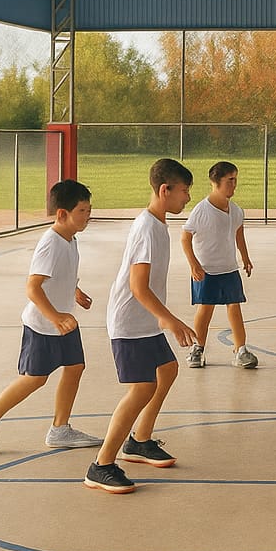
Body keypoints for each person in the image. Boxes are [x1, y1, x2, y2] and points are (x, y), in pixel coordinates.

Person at [84, 158, 199, 494]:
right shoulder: (148, 228)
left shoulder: (157, 225)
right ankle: (101, 464)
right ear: (165, 190)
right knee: (142, 388)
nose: (187, 198)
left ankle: (140, 440)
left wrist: (161, 318)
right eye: (184, 192)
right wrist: (170, 319)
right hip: (129, 321)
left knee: (168, 369)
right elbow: (138, 286)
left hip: (143, 319)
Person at [0, 179, 103, 454]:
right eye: (82, 211)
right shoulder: (51, 243)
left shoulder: (70, 238)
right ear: (62, 214)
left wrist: (74, 291)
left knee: (75, 367)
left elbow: (58, 276)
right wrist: (54, 316)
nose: (88, 216)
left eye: (89, 210)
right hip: (44, 324)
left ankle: (60, 429)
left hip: (63, 320)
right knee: (34, 378)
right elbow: (32, 286)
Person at [181, 161, 256, 369]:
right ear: (215, 182)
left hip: (229, 268)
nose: (234, 184)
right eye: (229, 180)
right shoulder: (201, 211)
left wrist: (245, 257)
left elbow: (238, 232)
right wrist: (193, 264)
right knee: (206, 309)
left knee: (234, 307)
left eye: (235, 180)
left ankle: (240, 350)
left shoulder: (236, 211)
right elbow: (185, 238)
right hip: (206, 270)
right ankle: (197, 348)